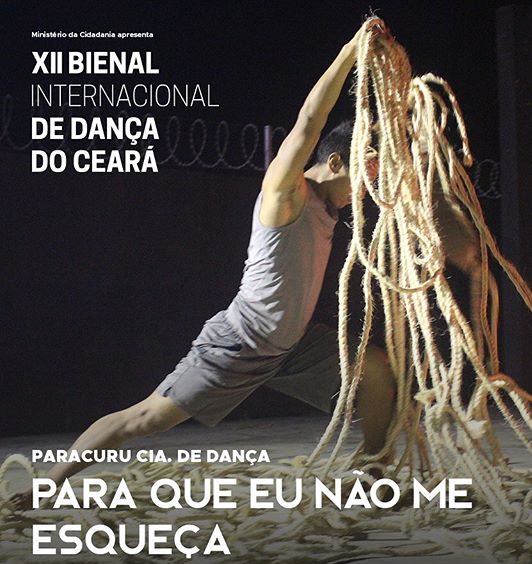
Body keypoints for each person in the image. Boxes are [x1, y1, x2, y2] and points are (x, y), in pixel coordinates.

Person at [11, 22, 395, 508]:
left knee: (377, 370)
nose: (371, 185)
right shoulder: (287, 193)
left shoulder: (333, 206)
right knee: (145, 418)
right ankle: (48, 485)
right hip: (242, 341)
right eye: (367, 169)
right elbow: (308, 123)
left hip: (292, 347)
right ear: (336, 162)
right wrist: (350, 52)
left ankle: (373, 470)